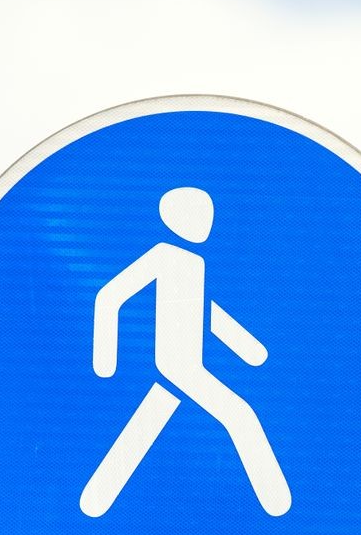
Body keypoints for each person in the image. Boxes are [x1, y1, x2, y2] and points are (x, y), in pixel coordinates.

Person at [80, 187, 291, 518]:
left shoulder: (194, 263)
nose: (206, 222)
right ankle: (278, 504)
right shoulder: (163, 255)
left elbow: (206, 313)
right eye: (197, 213)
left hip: (186, 364)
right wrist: (105, 360)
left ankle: (93, 504)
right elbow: (111, 296)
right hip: (174, 364)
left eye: (207, 212)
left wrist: (248, 348)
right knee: (240, 415)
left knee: (147, 422)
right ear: (175, 218)